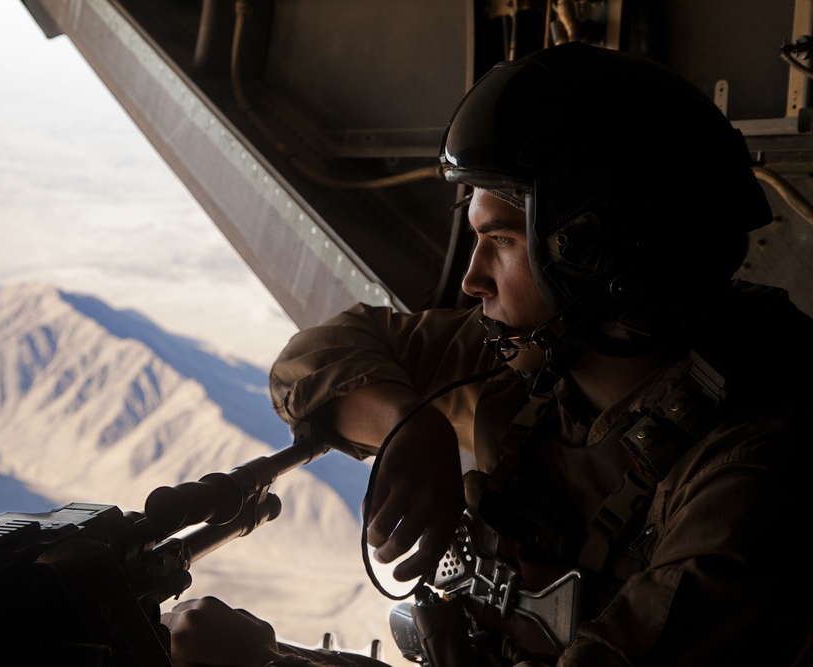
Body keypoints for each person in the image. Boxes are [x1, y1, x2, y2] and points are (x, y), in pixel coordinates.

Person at [161, 42, 813, 666]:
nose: (472, 278)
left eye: (499, 240)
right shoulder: (542, 361)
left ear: (597, 256)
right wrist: (407, 422)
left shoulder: (752, 478)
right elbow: (310, 360)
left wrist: (278, 664)